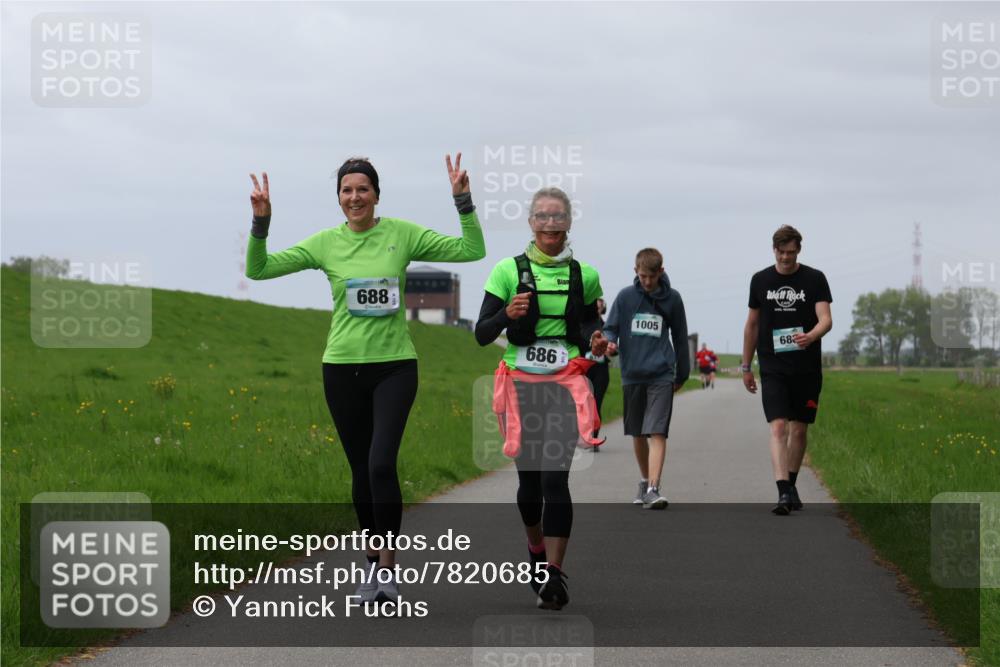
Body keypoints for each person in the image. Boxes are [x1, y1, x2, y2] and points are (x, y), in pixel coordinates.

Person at [245, 155, 485, 601]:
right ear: (338, 198)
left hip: (395, 366)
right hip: (340, 368)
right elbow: (258, 270)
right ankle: (372, 566)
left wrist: (463, 201)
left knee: (380, 464)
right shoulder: (325, 244)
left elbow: (471, 250)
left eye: (362, 189)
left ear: (376, 194)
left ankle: (390, 572)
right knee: (359, 471)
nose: (354, 197)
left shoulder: (402, 234)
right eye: (346, 190)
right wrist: (261, 224)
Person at [475, 187, 606, 611]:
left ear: (569, 223)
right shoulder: (506, 271)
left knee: (555, 480)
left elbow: (587, 324)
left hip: (564, 385)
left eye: (558, 217)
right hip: (520, 388)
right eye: (542, 217)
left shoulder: (584, 275)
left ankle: (553, 574)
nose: (551, 224)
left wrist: (596, 340)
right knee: (530, 486)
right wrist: (505, 315)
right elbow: (481, 333)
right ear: (531, 223)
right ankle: (535, 551)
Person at [740, 225, 832, 515]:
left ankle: (791, 485)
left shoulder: (815, 279)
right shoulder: (760, 280)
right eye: (781, 253)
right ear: (774, 250)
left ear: (798, 251)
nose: (786, 258)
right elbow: (752, 325)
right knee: (778, 426)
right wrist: (746, 365)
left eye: (791, 253)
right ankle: (782, 492)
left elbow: (826, 319)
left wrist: (812, 335)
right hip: (773, 365)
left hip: (806, 367)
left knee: (799, 429)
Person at [603, 248, 689, 509]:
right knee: (638, 434)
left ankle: (654, 488)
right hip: (632, 374)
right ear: (635, 272)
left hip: (661, 374)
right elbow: (610, 328)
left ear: (661, 272)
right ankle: (643, 482)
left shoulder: (673, 299)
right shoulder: (625, 297)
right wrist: (609, 344)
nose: (647, 282)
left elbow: (681, 338)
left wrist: (681, 373)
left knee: (657, 431)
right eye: (642, 276)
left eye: (651, 276)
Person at [584, 297, 610, 447]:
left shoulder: (606, 327)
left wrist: (611, 350)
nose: (596, 308)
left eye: (599, 306)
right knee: (584, 403)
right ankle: (584, 436)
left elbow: (614, 349)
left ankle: (594, 439)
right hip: (585, 370)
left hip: (601, 371)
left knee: (596, 404)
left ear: (602, 309)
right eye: (594, 306)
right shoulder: (583, 325)